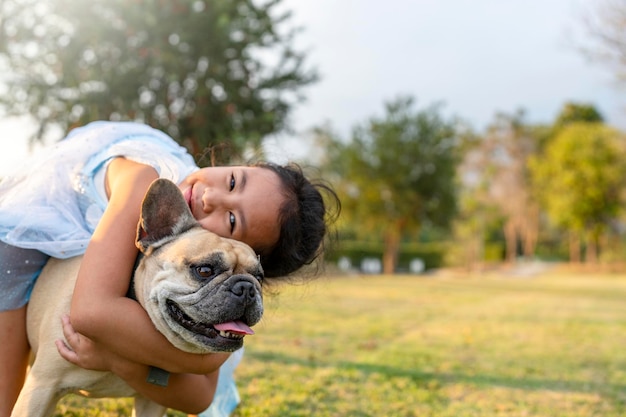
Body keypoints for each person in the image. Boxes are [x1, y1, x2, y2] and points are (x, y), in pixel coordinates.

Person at [0, 121, 339, 416]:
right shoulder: (144, 182)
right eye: (233, 181)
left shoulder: (196, 257)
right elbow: (88, 314)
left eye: (232, 221)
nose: (211, 199)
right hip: (44, 212)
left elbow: (200, 395)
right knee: (9, 272)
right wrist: (168, 364)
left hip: (163, 252)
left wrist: (122, 362)